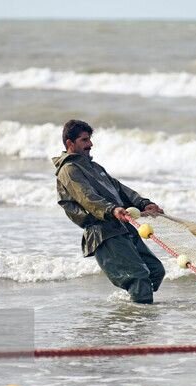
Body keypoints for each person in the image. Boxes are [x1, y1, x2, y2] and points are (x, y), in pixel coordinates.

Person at [53, 119, 165, 304]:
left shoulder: (94, 167)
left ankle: (132, 308)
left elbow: (120, 189)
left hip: (122, 227)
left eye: (89, 139)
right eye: (84, 140)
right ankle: (138, 327)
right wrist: (112, 209)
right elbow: (87, 198)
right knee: (139, 278)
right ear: (69, 143)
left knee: (155, 271)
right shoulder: (69, 170)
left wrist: (144, 203)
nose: (90, 144)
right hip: (103, 232)